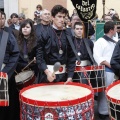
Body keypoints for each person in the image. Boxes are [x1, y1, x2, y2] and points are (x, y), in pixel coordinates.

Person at [36, 5, 76, 83]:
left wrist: (70, 76)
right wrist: (47, 72)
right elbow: (39, 56)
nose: (62, 20)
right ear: (53, 17)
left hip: (64, 76)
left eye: (64, 17)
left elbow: (72, 56)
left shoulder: (68, 34)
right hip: (47, 76)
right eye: (59, 16)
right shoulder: (45, 33)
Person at [93, 21, 116, 119]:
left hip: (114, 70)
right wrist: (110, 65)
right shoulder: (100, 42)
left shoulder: (113, 40)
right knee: (104, 93)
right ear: (111, 30)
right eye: (115, 28)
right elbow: (97, 56)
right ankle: (103, 112)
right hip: (106, 70)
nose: (116, 30)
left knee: (112, 92)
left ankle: (111, 111)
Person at [0, 10, 19, 120]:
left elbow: (15, 54)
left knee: (3, 106)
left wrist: (6, 71)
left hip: (3, 73)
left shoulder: (7, 35)